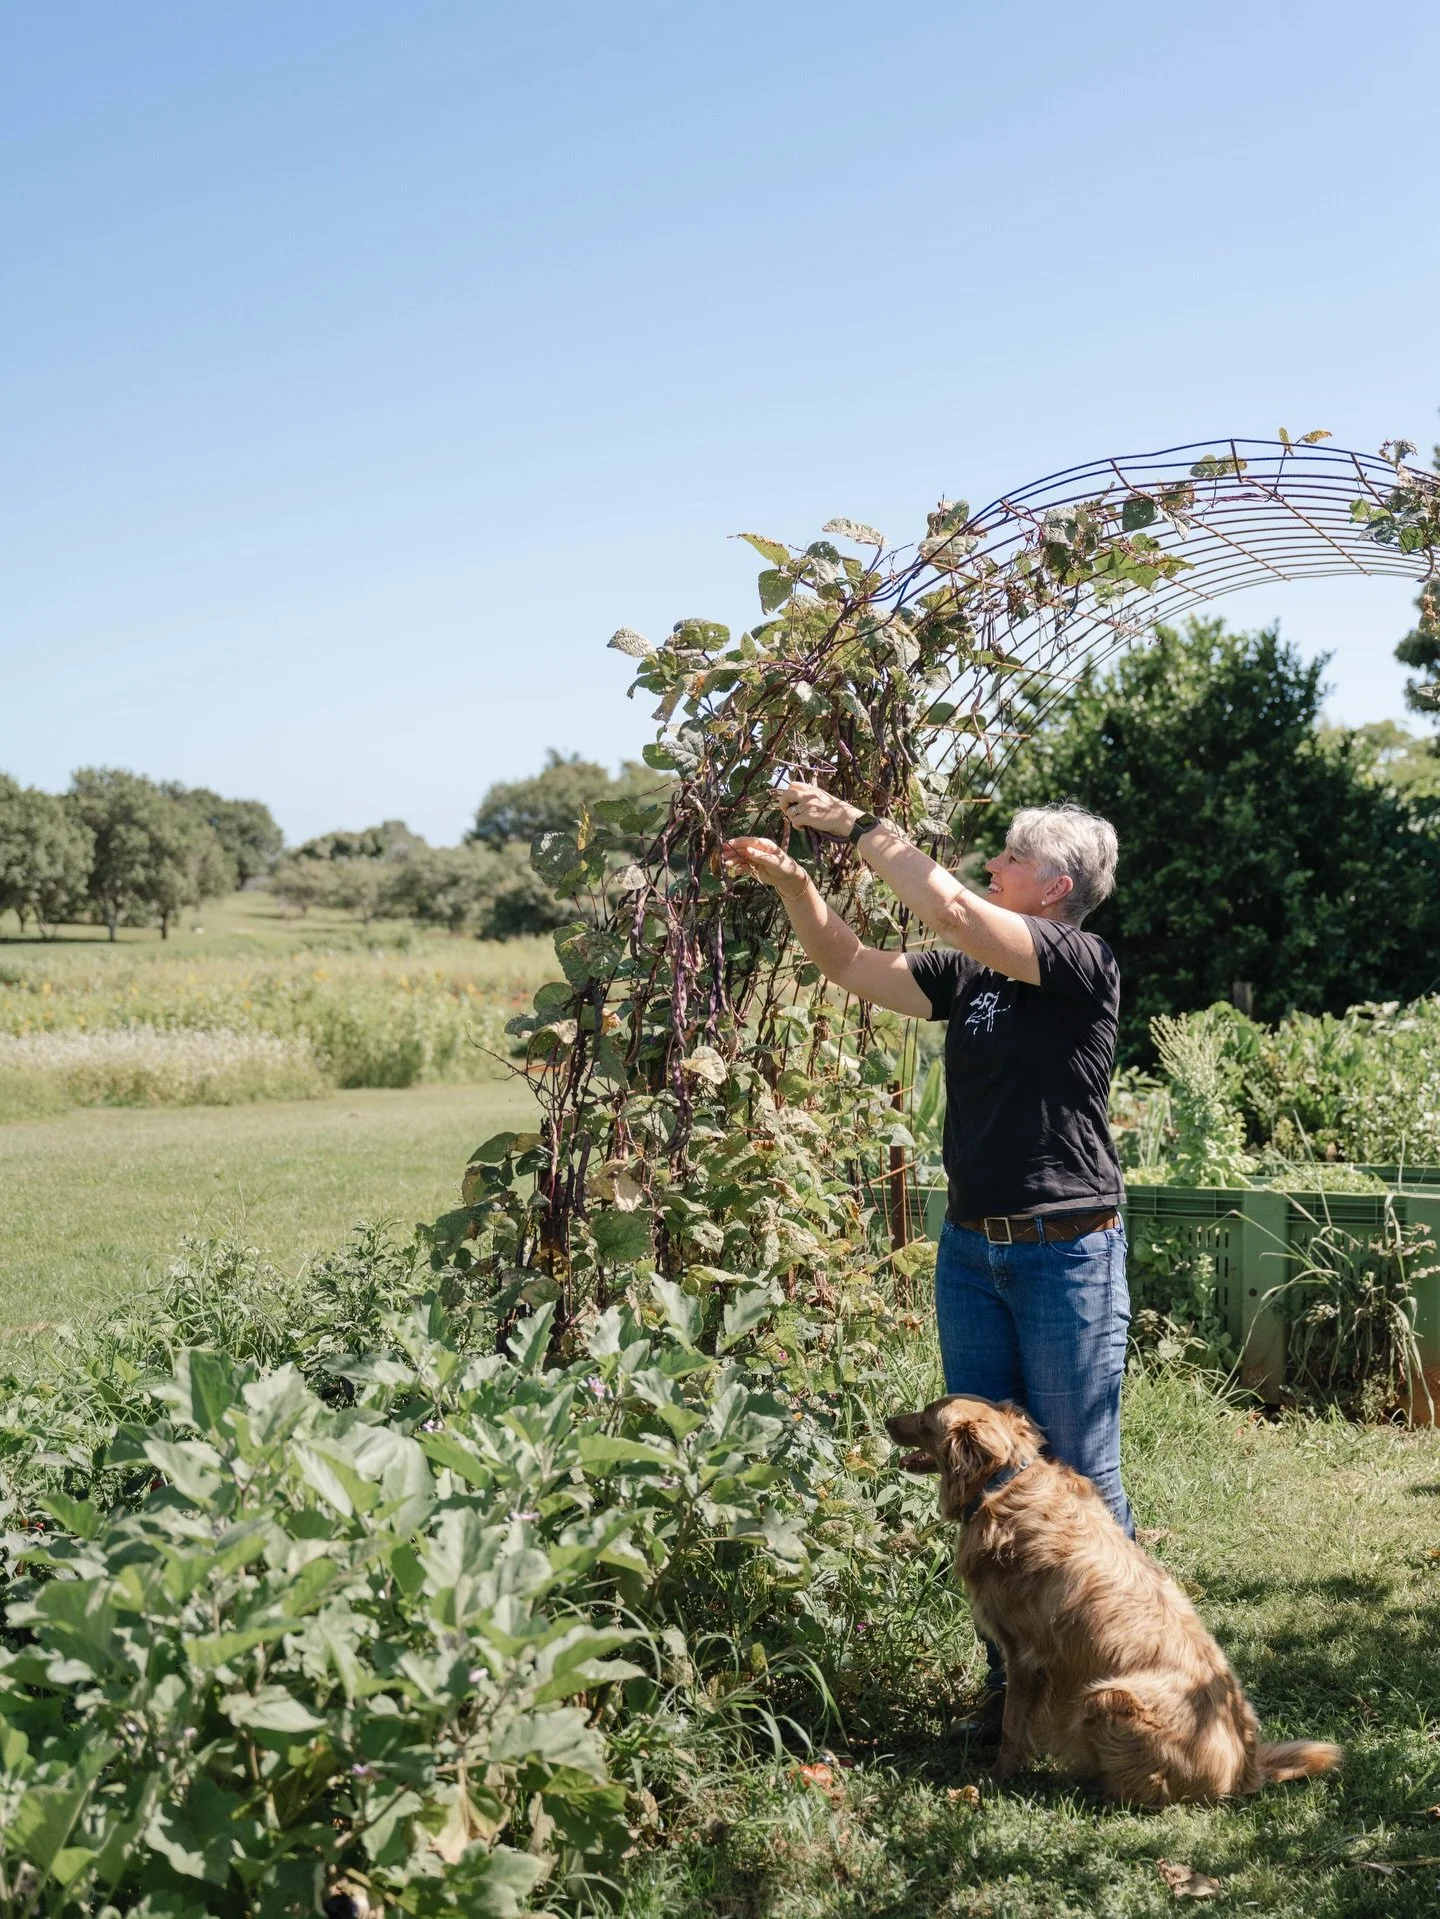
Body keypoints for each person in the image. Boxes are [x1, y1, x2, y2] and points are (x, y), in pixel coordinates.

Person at [723, 783, 1131, 1738]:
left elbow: (950, 904)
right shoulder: (976, 976)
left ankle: (1111, 1680)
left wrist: (857, 826)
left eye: (1010, 859)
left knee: (1081, 1474)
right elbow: (852, 963)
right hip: (973, 1252)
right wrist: (794, 886)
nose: (992, 866)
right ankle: (1015, 1697)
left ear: (1054, 883)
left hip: (1064, 1252)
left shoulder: (1078, 960)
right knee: (987, 1474)